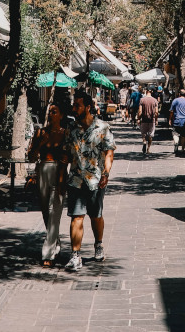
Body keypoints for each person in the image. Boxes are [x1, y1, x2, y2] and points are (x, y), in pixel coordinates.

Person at [64, 90, 116, 271]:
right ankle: (75, 255)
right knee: (76, 216)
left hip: (96, 179)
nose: (74, 108)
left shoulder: (102, 127)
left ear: (87, 107)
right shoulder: (71, 129)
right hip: (76, 179)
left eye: (77, 105)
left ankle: (98, 244)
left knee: (96, 216)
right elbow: (65, 154)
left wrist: (106, 173)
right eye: (74, 105)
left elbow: (109, 152)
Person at [28, 101, 69, 267]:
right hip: (43, 171)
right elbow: (31, 157)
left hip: (59, 172)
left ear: (61, 115)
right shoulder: (40, 133)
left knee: (55, 211)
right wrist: (40, 145)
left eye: (54, 111)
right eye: (49, 112)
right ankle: (56, 240)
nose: (51, 114)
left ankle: (48, 253)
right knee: (46, 211)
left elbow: (70, 155)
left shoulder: (66, 133)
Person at [169, 88, 185, 154]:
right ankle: (183, 148)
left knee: (175, 133)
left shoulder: (175, 101)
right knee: (183, 135)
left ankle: (176, 142)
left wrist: (170, 119)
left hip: (177, 119)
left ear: (179, 94)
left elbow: (171, 111)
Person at [138, 86, 159, 153]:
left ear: (146, 91)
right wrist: (156, 120)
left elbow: (140, 111)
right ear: (151, 92)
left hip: (144, 119)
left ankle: (144, 141)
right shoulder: (155, 100)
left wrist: (138, 118)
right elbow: (156, 112)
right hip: (151, 120)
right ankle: (148, 149)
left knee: (143, 133)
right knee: (150, 135)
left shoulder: (142, 100)